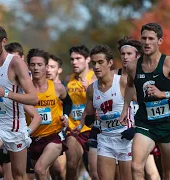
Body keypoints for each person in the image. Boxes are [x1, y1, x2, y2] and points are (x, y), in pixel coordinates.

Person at [0, 24, 38, 180]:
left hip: (14, 126)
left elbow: (33, 98)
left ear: (4, 42)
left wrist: (7, 93)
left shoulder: (15, 63)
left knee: (18, 175)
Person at [119, 22, 170, 180]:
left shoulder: (168, 63)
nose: (147, 42)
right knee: (136, 167)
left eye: (151, 38)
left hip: (168, 122)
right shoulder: (133, 66)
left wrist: (164, 94)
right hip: (145, 122)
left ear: (160, 41)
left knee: (167, 171)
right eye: (143, 38)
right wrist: (125, 109)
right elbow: (129, 86)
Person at [75, 45, 133, 180]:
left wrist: (134, 129)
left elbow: (140, 105)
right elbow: (88, 114)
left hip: (125, 138)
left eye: (100, 62)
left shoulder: (122, 82)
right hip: (105, 140)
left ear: (110, 63)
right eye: (94, 63)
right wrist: (82, 124)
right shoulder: (91, 89)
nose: (96, 66)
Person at [26, 48, 70, 180]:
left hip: (53, 137)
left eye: (39, 65)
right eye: (33, 65)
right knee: (41, 175)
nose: (36, 68)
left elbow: (68, 102)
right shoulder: (25, 90)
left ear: (46, 67)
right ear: (28, 66)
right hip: (33, 139)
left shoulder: (57, 88)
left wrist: (65, 116)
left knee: (40, 169)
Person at [64, 45, 97, 180]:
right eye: (72, 59)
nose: (74, 62)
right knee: (71, 165)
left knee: (94, 173)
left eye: (78, 58)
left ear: (88, 59)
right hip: (74, 129)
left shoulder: (94, 77)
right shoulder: (69, 80)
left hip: (92, 129)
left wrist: (89, 89)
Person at [46, 54, 71, 180]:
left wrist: (65, 117)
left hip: (62, 131)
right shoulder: (36, 86)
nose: (48, 69)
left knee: (60, 170)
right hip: (42, 132)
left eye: (52, 66)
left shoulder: (65, 86)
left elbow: (70, 103)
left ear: (59, 69)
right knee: (47, 169)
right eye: (47, 66)